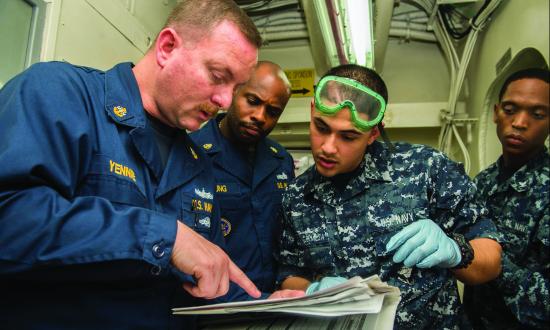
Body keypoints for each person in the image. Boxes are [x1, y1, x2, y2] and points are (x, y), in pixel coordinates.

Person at [0, 1, 263, 329]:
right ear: (167, 47)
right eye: (217, 76)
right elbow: (10, 219)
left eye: (235, 88)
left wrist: (265, 305)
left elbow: (208, 275)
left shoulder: (199, 164)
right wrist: (165, 237)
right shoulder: (62, 95)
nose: (225, 101)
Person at [276, 64, 502, 329]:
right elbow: (288, 272)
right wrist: (314, 289)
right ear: (313, 110)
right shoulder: (297, 197)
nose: (327, 147)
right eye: (321, 127)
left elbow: (492, 260)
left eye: (348, 137)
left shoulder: (426, 168)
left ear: (373, 133)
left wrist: (456, 251)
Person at [190, 61, 296, 300]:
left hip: (275, 301)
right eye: (253, 101)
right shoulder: (192, 153)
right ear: (234, 91)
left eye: (273, 111)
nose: (260, 116)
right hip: (216, 303)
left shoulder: (281, 161)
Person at [463, 68, 549, 329]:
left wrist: (494, 266)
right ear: (496, 113)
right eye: (510, 110)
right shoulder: (483, 181)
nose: (520, 122)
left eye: (537, 114)